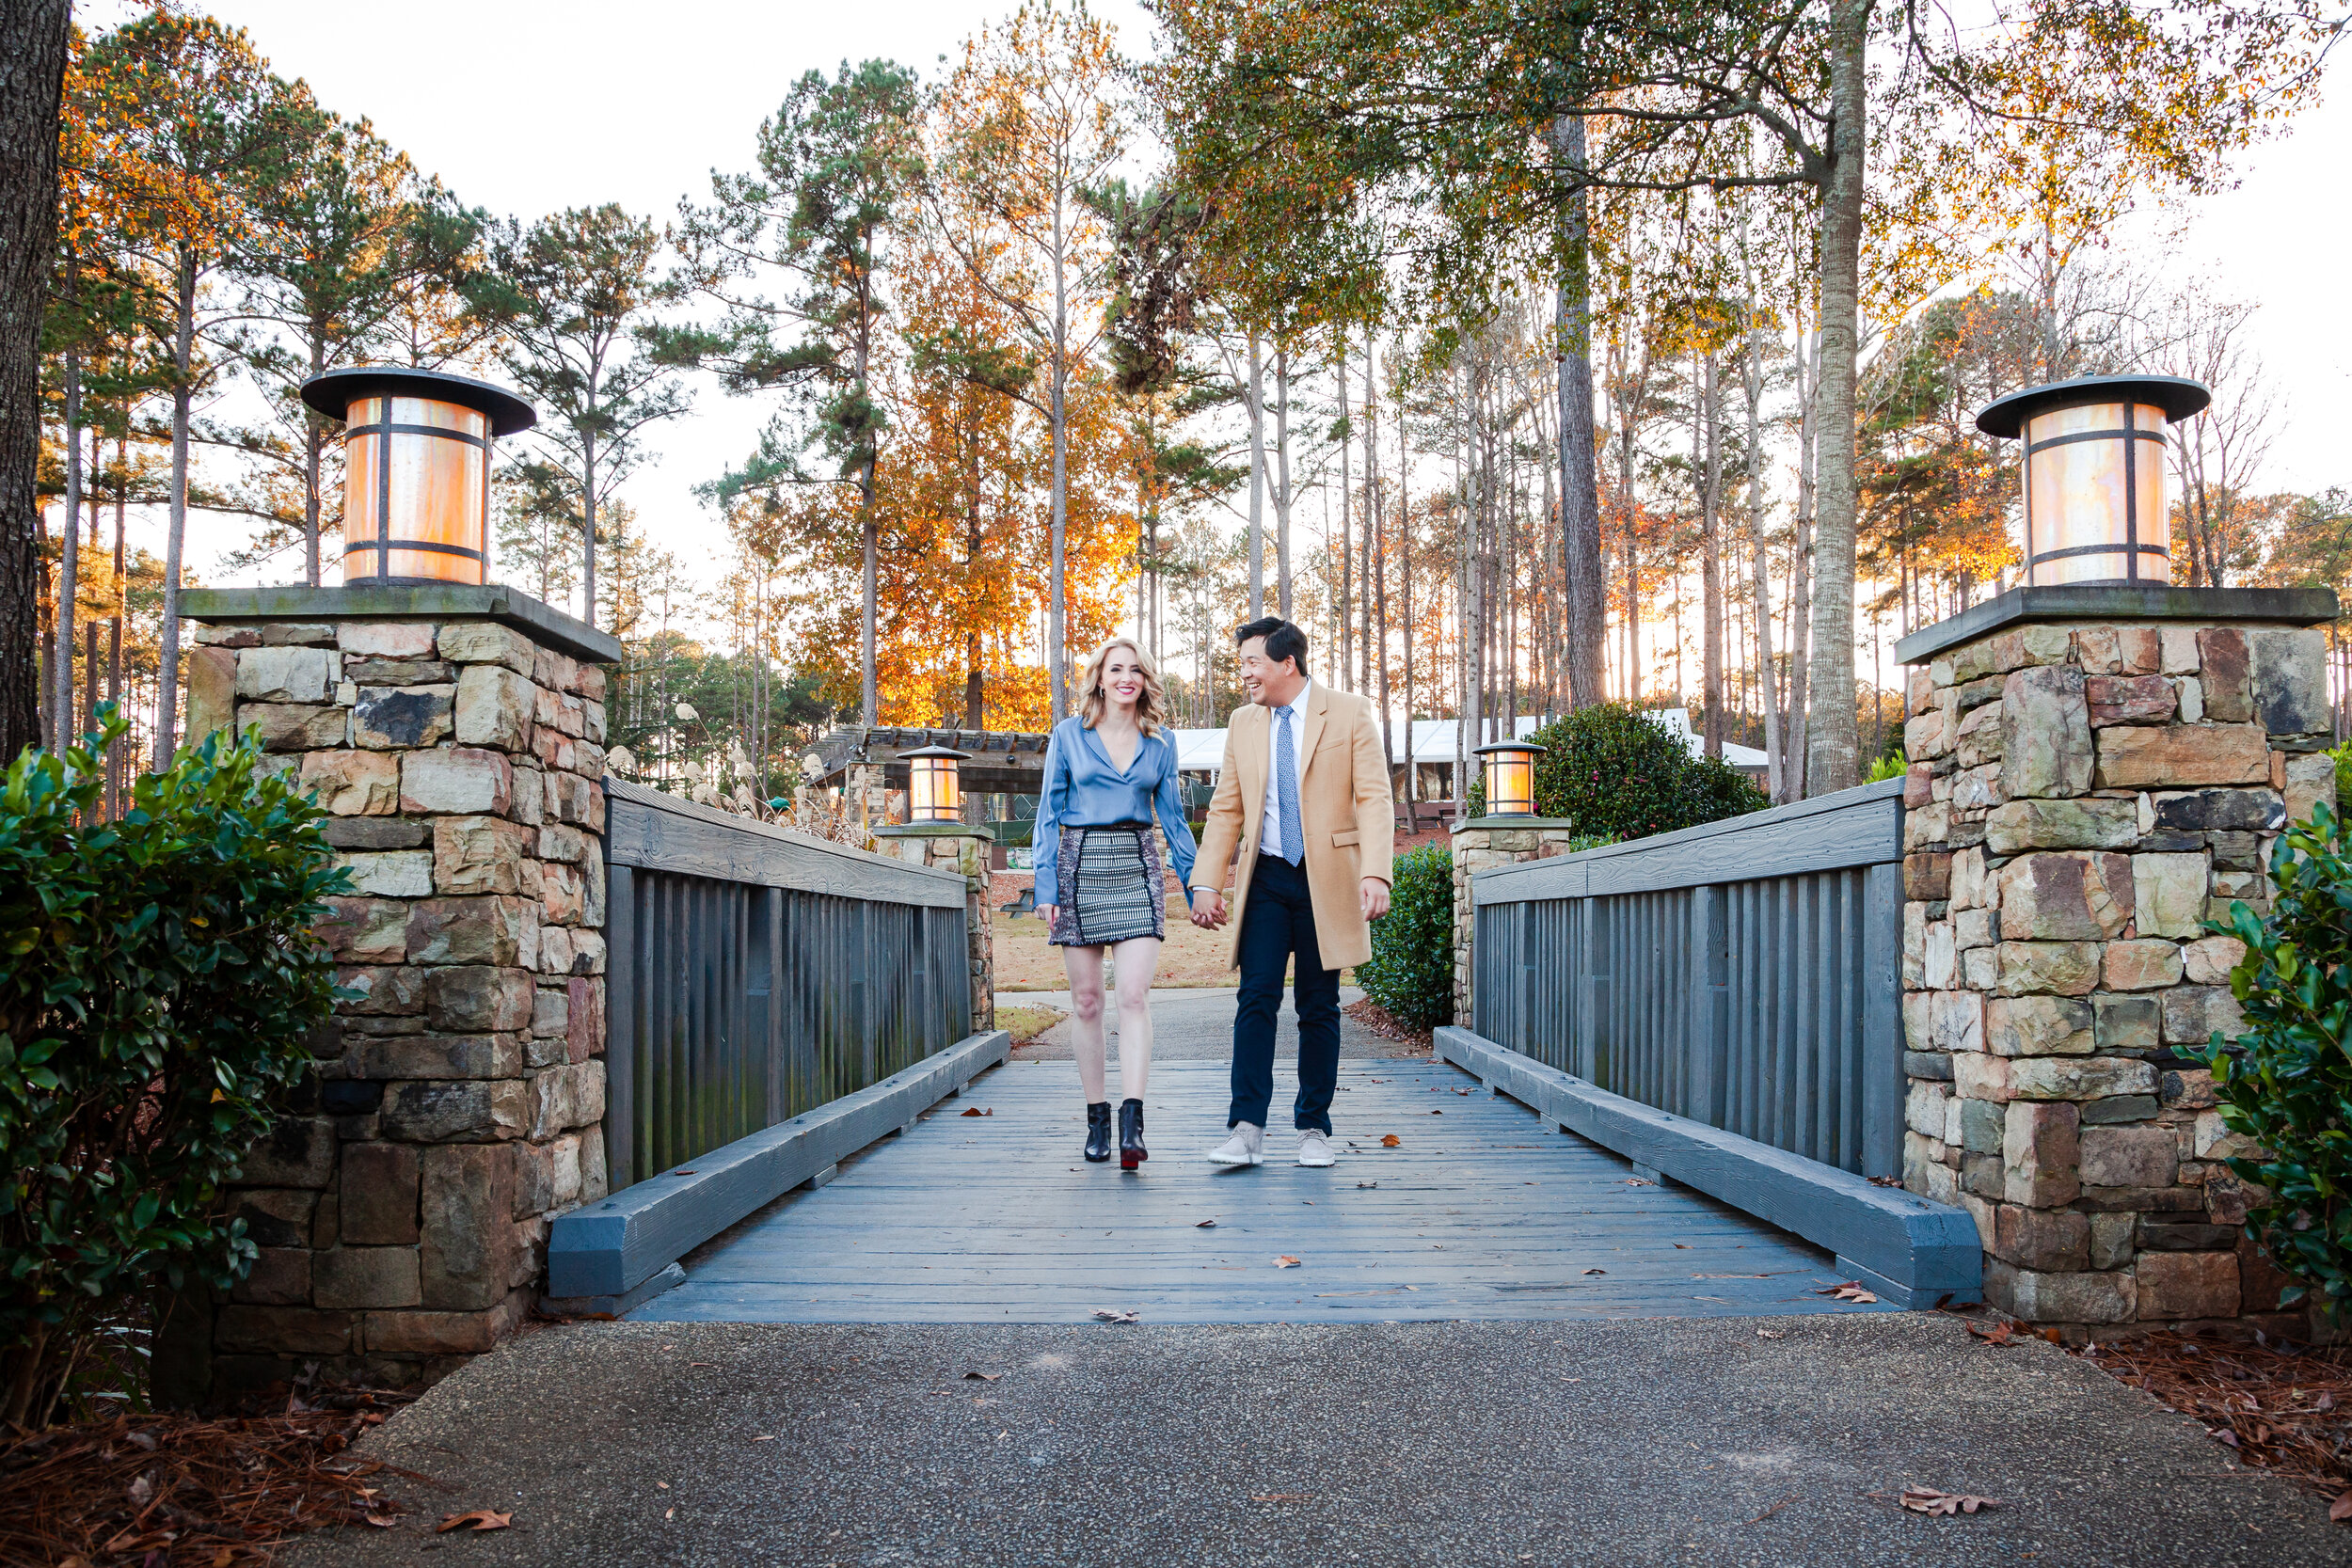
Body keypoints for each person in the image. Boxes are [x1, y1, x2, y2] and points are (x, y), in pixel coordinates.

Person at [1188, 617, 1393, 1167]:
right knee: (1255, 998)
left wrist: (1376, 871)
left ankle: (1314, 1130)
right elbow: (1227, 807)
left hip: (1327, 880)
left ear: (1287, 663)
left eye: (1253, 662)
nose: (1245, 674)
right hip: (1267, 879)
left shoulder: (1349, 712)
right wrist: (1206, 880)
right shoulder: (1242, 723)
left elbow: (1374, 798)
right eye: (1242, 664)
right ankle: (1246, 1130)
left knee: (1318, 1006)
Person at [1032, 638, 1198, 1169]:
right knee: (1086, 1002)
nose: (1126, 677)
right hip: (1079, 866)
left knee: (1131, 996)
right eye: (1116, 669)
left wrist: (1197, 886)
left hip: (1137, 863)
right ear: (1100, 678)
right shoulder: (1068, 736)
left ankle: (1132, 1122)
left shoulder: (1162, 742)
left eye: (1136, 670)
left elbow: (1172, 820)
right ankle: (1096, 1118)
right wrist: (1047, 886)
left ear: (1146, 680)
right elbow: (1047, 816)